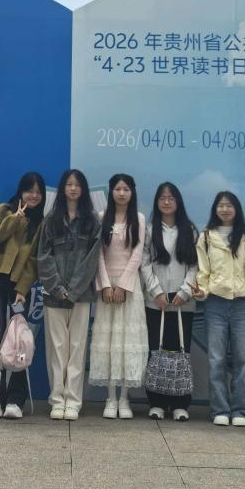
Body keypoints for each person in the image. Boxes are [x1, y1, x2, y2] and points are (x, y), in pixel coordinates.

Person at [36, 168, 101, 421]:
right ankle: (57, 400)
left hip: (81, 296)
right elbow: (43, 257)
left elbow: (92, 259)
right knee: (57, 348)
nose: (73, 189)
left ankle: (73, 401)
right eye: (69, 184)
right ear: (63, 189)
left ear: (83, 189)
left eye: (77, 185)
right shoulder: (51, 220)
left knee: (77, 348)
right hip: (54, 295)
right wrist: (57, 288)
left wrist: (73, 290)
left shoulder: (92, 221)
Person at [0, 172, 45, 419]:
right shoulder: (4, 210)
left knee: (20, 341)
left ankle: (15, 401)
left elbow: (34, 260)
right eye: (30, 190)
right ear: (21, 191)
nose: (33, 195)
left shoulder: (40, 223)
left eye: (38, 192)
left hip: (19, 286)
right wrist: (14, 220)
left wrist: (22, 289)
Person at [195, 191, 245, 427]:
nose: (225, 209)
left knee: (242, 358)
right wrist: (202, 290)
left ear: (237, 209)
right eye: (221, 205)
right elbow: (203, 270)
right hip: (215, 302)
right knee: (216, 359)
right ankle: (220, 409)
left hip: (242, 303)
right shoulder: (206, 236)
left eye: (229, 205)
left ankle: (240, 410)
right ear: (215, 209)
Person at [89, 173, 149, 419]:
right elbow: (98, 254)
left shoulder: (140, 219)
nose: (122, 193)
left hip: (129, 288)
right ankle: (110, 398)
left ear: (132, 192)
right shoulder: (102, 217)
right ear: (111, 192)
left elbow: (137, 254)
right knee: (109, 343)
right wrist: (105, 285)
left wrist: (123, 285)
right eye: (117, 189)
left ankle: (124, 399)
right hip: (106, 288)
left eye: (126, 189)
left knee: (126, 343)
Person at [140, 181, 198, 421]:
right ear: (157, 202)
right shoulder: (149, 230)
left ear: (178, 202)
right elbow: (144, 264)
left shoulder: (190, 230)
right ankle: (156, 402)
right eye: (162, 198)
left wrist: (184, 292)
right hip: (157, 302)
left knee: (180, 353)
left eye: (171, 198)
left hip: (183, 302)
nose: (166, 202)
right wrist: (156, 292)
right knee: (156, 352)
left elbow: (195, 266)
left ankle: (180, 404)